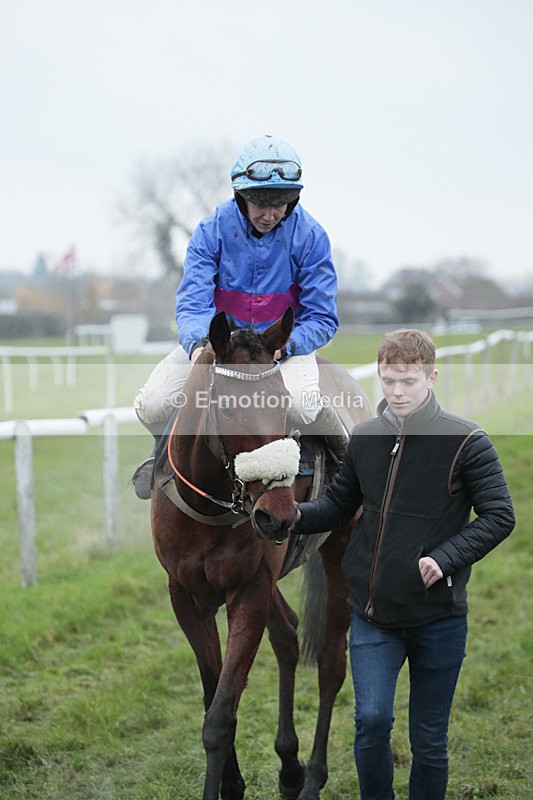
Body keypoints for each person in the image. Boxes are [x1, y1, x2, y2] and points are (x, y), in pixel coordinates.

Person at [293, 328, 515, 800]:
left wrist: (446, 557)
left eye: (408, 381)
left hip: (440, 619)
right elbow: (336, 506)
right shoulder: (365, 439)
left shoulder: (468, 441)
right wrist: (291, 518)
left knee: (429, 741)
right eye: (389, 380)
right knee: (371, 721)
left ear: (431, 377)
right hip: (373, 617)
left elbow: (500, 516)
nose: (397, 392)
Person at [132, 134, 347, 499]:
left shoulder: (311, 236)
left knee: (300, 404)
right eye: (261, 202)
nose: (270, 213)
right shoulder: (210, 230)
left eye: (281, 203)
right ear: (240, 196)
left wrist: (288, 344)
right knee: (152, 403)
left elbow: (323, 316)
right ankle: (162, 458)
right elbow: (192, 303)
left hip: (279, 347)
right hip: (221, 346)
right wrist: (201, 346)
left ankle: (346, 465)